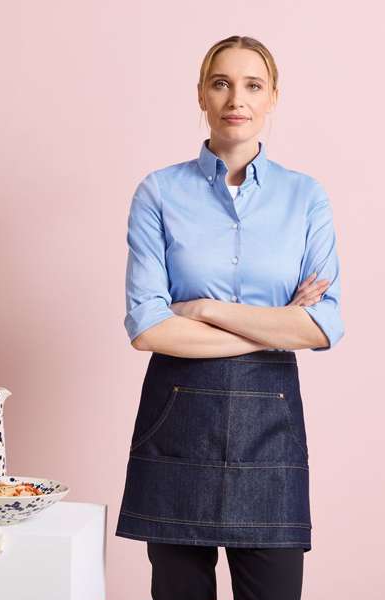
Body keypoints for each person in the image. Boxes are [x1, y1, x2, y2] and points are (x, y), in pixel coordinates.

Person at [115, 35, 344, 600]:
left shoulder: (305, 197)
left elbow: (321, 327)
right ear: (201, 94)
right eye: (221, 83)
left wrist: (207, 310)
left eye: (252, 85)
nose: (236, 99)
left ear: (272, 97)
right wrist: (275, 324)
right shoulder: (159, 192)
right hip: (177, 419)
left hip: (272, 424)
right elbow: (148, 328)